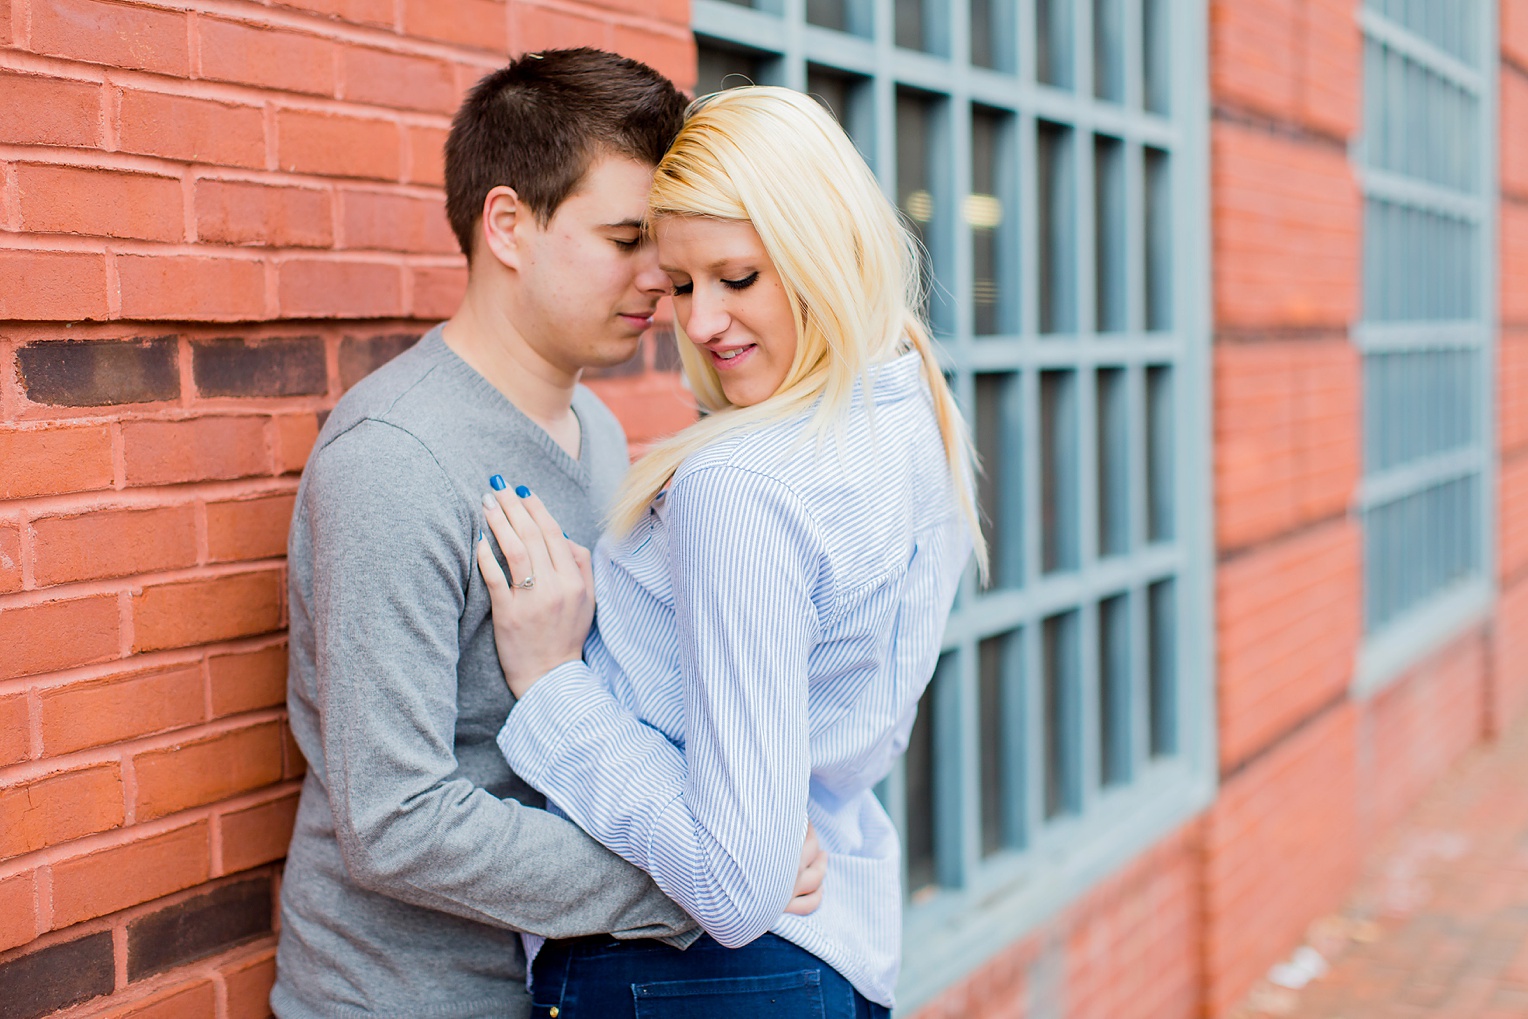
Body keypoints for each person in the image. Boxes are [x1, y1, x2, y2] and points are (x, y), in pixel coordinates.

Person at [274, 52, 824, 1019]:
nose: (660, 276)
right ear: (508, 226)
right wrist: (699, 882)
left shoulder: (600, 430)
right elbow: (394, 820)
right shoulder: (392, 458)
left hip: (572, 987)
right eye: (623, 238)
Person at [475, 86, 986, 1018]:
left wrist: (553, 686)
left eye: (738, 277)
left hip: (691, 975)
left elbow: (737, 883)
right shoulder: (910, 406)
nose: (702, 322)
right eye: (681, 283)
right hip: (824, 955)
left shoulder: (740, 486)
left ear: (820, 252)